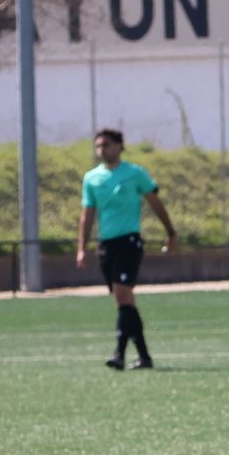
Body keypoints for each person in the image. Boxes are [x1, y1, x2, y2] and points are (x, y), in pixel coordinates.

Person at [76, 128, 178, 370]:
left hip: (129, 242)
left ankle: (119, 354)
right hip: (106, 244)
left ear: (120, 146)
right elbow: (87, 214)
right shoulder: (92, 178)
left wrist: (170, 232)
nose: (103, 150)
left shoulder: (135, 174)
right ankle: (144, 357)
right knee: (124, 301)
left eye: (107, 145)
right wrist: (82, 247)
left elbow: (155, 203)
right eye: (99, 146)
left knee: (123, 296)